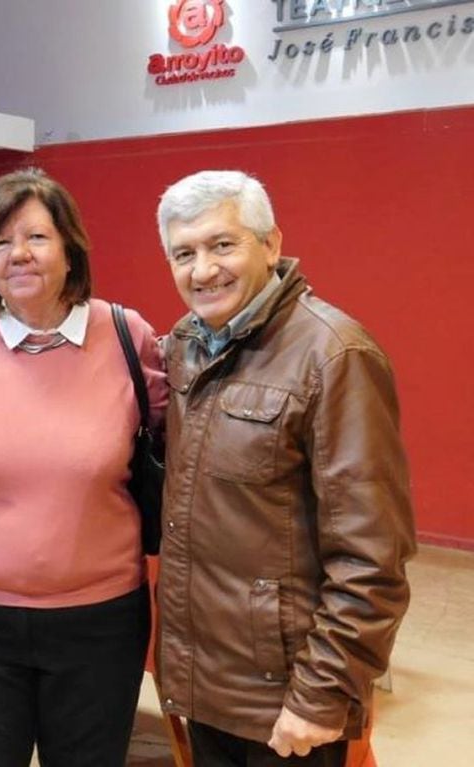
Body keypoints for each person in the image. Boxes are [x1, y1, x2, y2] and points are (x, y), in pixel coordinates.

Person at [154, 170, 416, 766]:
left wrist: (321, 695)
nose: (203, 270)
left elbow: (373, 557)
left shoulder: (335, 355)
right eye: (184, 253)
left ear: (271, 245)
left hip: (287, 698)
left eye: (224, 245)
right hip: (208, 685)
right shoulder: (187, 347)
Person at [0, 167, 167, 767]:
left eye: (36, 237)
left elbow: (177, 442)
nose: (18, 255)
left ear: (70, 250)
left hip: (101, 618)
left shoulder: (125, 335)